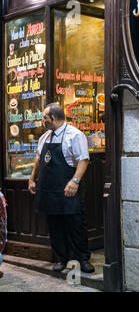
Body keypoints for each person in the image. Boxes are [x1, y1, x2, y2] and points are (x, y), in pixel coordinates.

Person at [28, 103, 94, 273]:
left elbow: (83, 160)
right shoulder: (44, 137)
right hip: (48, 189)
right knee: (54, 225)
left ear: (53, 118)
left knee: (75, 224)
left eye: (44, 117)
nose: (42, 120)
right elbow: (38, 160)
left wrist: (75, 181)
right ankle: (61, 258)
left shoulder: (75, 135)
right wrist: (32, 178)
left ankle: (82, 259)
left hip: (68, 186)